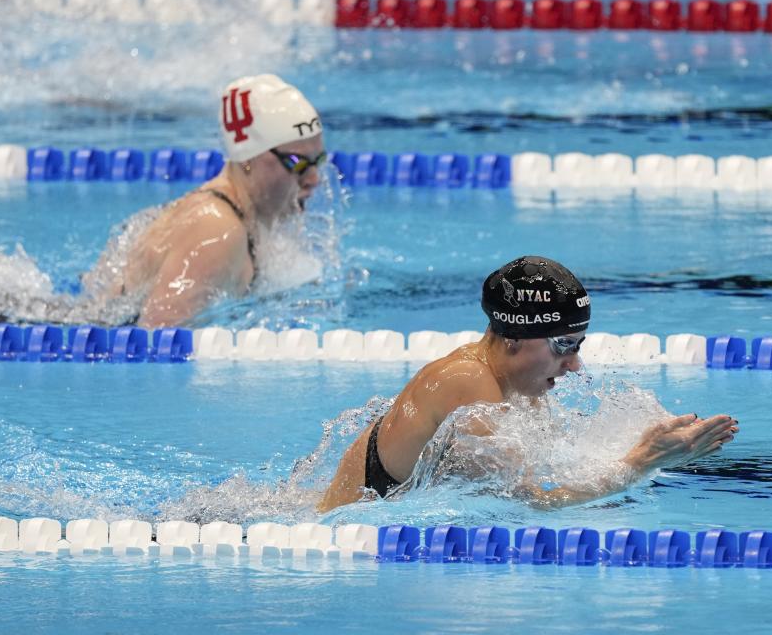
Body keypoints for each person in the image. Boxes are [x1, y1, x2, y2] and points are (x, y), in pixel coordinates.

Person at [318, 256, 739, 512]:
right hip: (349, 539)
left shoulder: (515, 386)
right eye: (562, 345)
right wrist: (639, 463)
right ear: (514, 337)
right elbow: (531, 502)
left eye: (577, 346)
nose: (574, 366)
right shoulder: (465, 380)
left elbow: (556, 465)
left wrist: (657, 442)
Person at [83, 74, 326, 328]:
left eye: (318, 161)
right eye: (297, 163)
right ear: (246, 158)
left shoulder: (247, 217)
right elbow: (157, 342)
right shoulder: (217, 230)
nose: (313, 179)